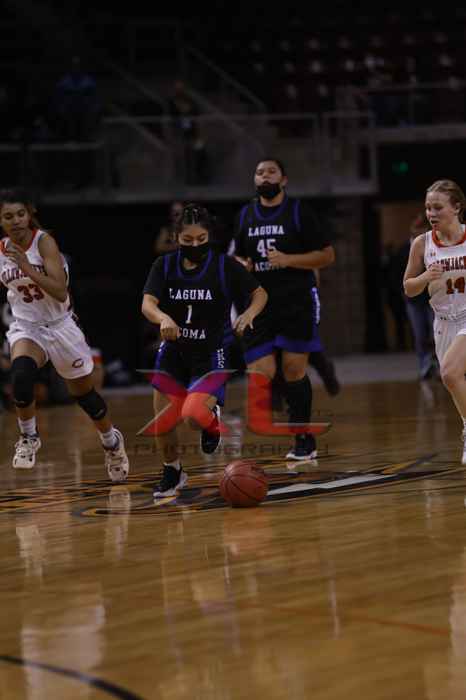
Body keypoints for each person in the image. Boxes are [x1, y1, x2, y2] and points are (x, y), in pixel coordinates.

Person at [0, 188, 129, 480]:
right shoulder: (1, 250)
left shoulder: (44, 243)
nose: (16, 220)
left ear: (29, 214)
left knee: (84, 395)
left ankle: (111, 442)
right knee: (20, 376)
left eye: (20, 214)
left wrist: (24, 266)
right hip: (27, 326)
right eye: (8, 216)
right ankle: (29, 437)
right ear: (1, 221)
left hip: (60, 325)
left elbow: (59, 291)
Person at [142, 203, 267, 497]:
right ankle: (173, 471)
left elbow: (260, 293)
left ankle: (211, 423)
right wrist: (162, 318)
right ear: (176, 238)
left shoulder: (224, 265)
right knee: (162, 421)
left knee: (192, 416)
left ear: (209, 236)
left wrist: (248, 314)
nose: (195, 245)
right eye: (188, 240)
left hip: (212, 352)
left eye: (201, 239)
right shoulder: (164, 266)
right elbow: (147, 304)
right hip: (174, 351)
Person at [232, 158, 336, 460]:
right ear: (254, 180)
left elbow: (327, 255)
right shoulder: (245, 215)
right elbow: (237, 256)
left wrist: (289, 259)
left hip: (296, 301)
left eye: (271, 171)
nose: (265, 176)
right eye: (259, 172)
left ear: (284, 179)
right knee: (261, 372)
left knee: (294, 369)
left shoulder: (299, 212)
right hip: (259, 303)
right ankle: (284, 404)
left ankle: (302, 436)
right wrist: (242, 265)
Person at [403, 179, 466, 463]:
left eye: (438, 207)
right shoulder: (422, 243)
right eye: (428, 208)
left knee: (450, 373)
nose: (431, 213)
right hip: (443, 321)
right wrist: (425, 277)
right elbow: (408, 288)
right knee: (454, 381)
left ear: (456, 208)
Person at [398, 212, 437, 380]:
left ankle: (439, 364)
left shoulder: (434, 247)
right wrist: (402, 292)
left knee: (436, 333)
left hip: (432, 298)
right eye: (417, 227)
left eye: (422, 227)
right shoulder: (403, 251)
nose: (419, 230)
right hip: (413, 300)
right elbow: (397, 275)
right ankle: (424, 365)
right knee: (419, 334)